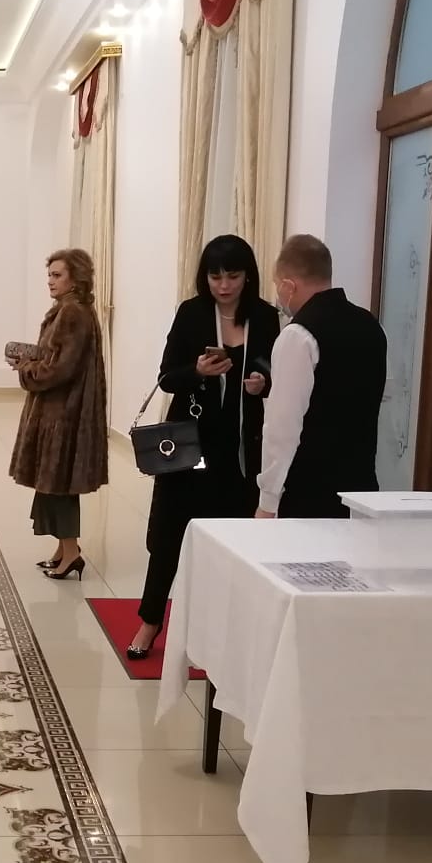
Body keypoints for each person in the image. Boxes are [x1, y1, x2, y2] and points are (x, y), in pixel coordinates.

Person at [128, 235, 280, 659]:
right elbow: (166, 377)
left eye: (233, 276)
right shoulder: (192, 313)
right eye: (216, 277)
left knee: (234, 540)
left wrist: (262, 382)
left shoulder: (265, 316)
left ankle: (223, 630)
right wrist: (196, 370)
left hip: (241, 449)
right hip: (190, 446)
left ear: (247, 276)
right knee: (169, 537)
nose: (224, 285)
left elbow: (272, 367)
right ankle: (150, 622)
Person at [256, 234, 387, 520]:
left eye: (277, 286)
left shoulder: (298, 335)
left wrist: (267, 501)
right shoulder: (371, 326)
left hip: (308, 495)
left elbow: (282, 429)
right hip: (361, 493)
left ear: (289, 285)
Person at [7, 248, 109, 580]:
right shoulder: (69, 310)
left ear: (74, 279)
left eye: (57, 275)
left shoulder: (72, 313)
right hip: (60, 411)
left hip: (63, 415)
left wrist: (27, 368)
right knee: (52, 484)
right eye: (49, 275)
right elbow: (58, 356)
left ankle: (72, 554)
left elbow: (61, 368)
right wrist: (31, 357)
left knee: (59, 485)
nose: (50, 281)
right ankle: (65, 550)